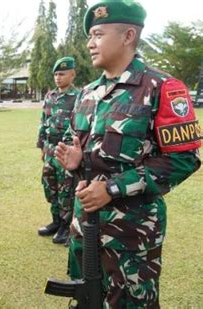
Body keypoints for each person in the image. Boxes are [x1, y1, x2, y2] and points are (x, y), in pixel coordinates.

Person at [55, 1, 201, 307]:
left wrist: (112, 189)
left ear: (128, 36)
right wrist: (77, 164)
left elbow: (183, 158)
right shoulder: (88, 93)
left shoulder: (162, 87)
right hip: (86, 226)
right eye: (89, 36)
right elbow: (93, 156)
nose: (90, 43)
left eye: (97, 34)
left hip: (132, 234)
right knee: (86, 299)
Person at [36, 57, 79, 244]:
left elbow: (81, 125)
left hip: (66, 150)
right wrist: (42, 147)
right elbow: (44, 121)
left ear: (72, 74)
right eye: (55, 74)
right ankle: (55, 221)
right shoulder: (50, 96)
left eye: (62, 74)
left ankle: (65, 226)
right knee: (49, 185)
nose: (58, 78)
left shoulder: (79, 97)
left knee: (66, 189)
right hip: (50, 149)